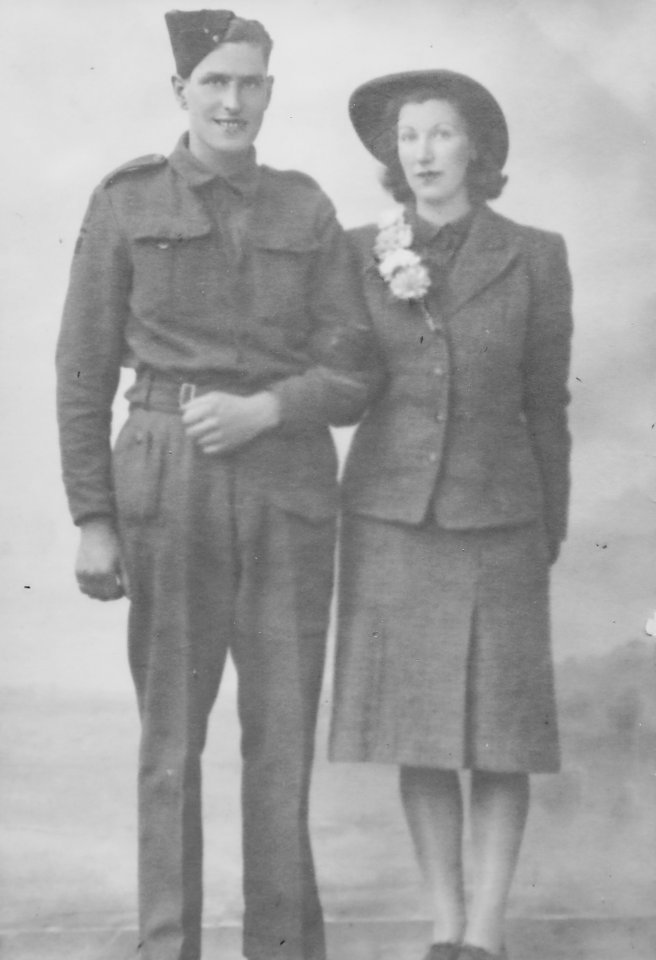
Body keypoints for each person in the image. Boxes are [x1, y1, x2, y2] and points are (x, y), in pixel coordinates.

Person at [56, 10, 375, 960]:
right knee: (169, 746)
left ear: (269, 92)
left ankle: (282, 949)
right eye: (215, 84)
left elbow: (354, 370)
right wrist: (92, 520)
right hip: (166, 478)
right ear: (182, 94)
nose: (232, 101)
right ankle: (168, 949)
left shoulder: (306, 208)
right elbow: (80, 371)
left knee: (280, 742)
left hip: (285, 485)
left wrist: (271, 410)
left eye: (250, 83)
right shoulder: (124, 202)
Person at [329, 70, 573, 960]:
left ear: (476, 148)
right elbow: (344, 380)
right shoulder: (359, 250)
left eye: (439, 134)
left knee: (501, 736)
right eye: (408, 139)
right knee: (418, 732)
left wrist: (548, 522)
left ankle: (486, 932)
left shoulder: (536, 253)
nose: (422, 153)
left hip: (501, 518)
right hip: (392, 520)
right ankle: (442, 930)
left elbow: (545, 403)